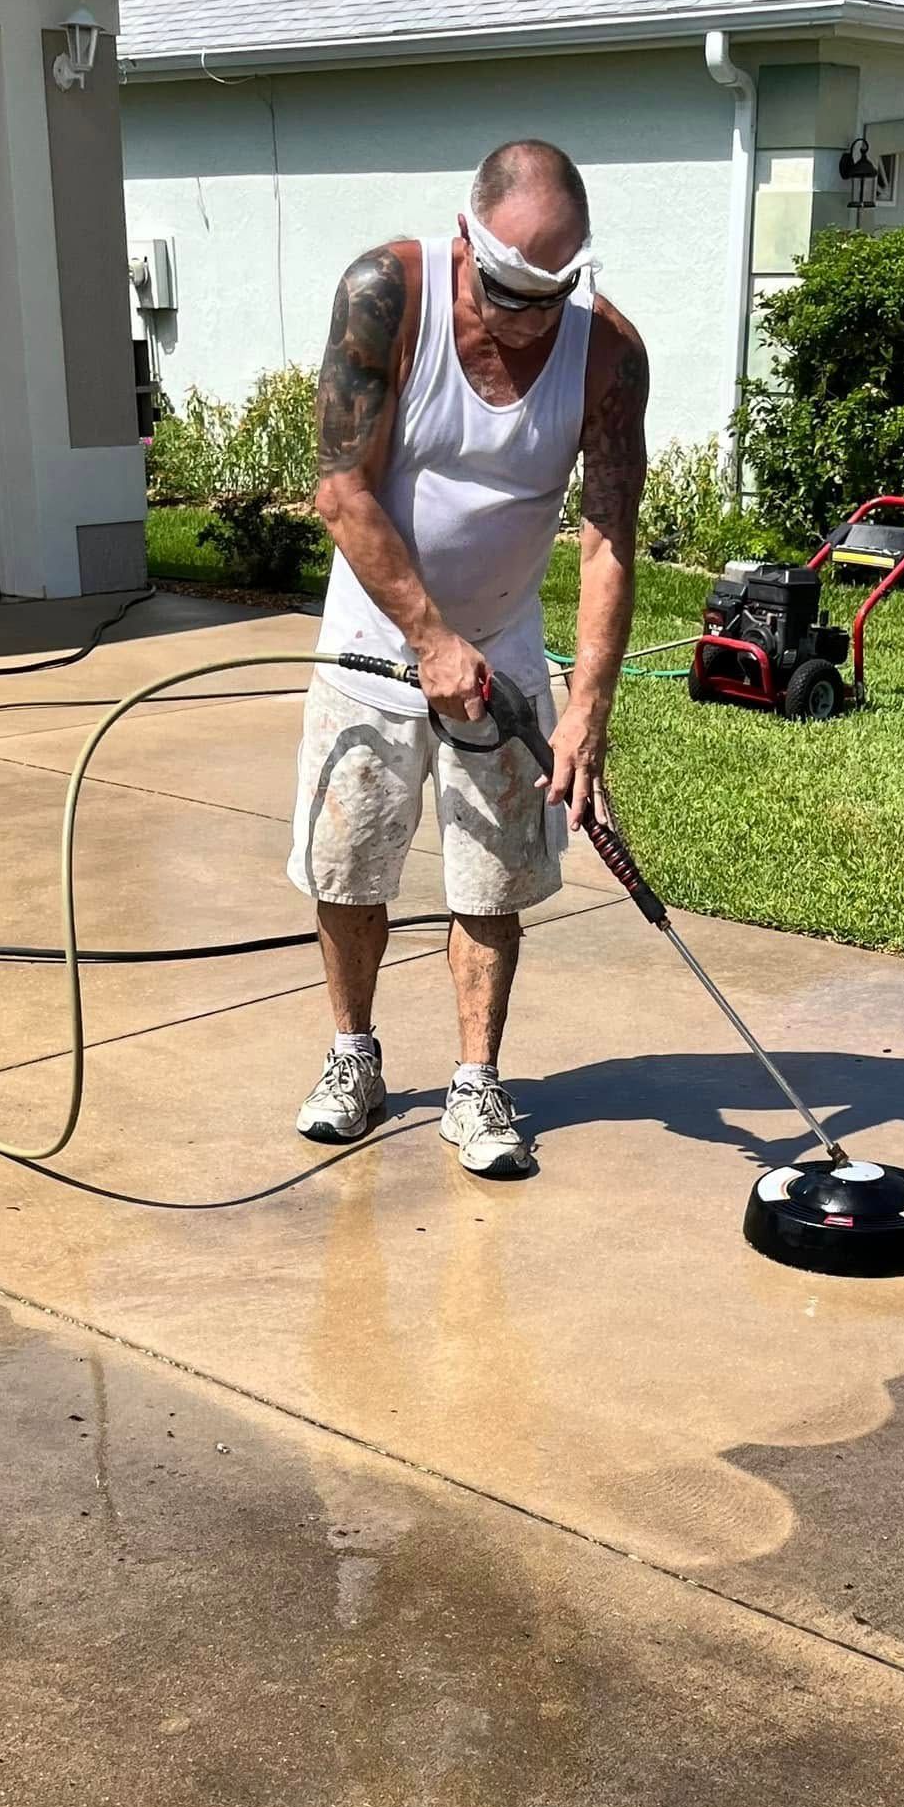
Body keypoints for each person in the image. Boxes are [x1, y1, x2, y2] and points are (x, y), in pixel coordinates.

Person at [288, 138, 649, 1178]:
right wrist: (429, 638)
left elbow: (611, 533)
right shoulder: (386, 295)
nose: (532, 319)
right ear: (466, 239)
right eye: (510, 290)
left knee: (491, 874)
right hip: (374, 637)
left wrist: (589, 704)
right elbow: (342, 492)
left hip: (503, 645)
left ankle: (476, 1082)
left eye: (556, 292)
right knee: (350, 861)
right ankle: (354, 1053)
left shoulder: (608, 356)